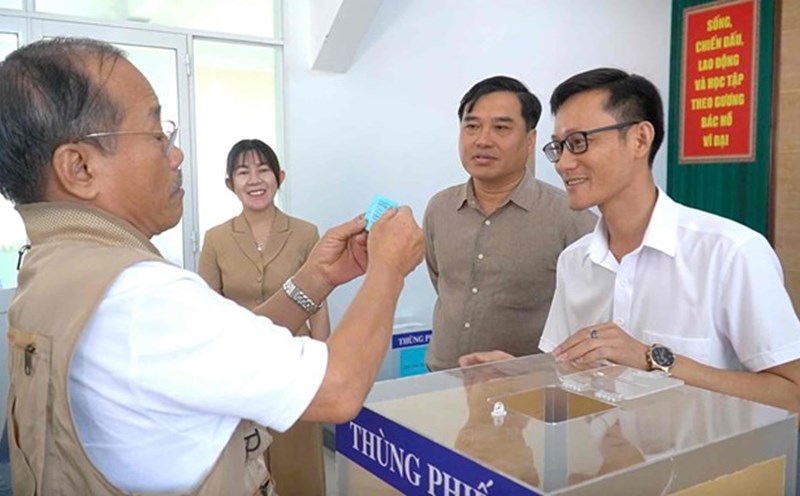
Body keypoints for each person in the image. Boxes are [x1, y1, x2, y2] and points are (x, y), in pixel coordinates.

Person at [0, 37, 424, 495]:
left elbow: (217, 346)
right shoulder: (142, 296)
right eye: (157, 134)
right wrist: (388, 267)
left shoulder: (54, 267)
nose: (176, 154)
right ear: (79, 168)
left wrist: (316, 279)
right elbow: (339, 388)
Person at [459, 68, 800, 418]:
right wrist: (520, 374)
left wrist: (652, 360)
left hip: (711, 472)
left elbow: (792, 393)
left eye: (579, 142)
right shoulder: (575, 261)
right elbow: (568, 373)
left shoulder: (729, 253)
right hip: (597, 469)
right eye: (558, 147)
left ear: (640, 139)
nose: (563, 163)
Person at [424, 75, 596, 371]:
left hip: (526, 391)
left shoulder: (570, 217)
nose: (482, 140)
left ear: (530, 140)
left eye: (501, 128)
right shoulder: (440, 208)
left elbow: (590, 319)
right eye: (472, 126)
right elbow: (442, 283)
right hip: (441, 379)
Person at [198, 138, 329, 495]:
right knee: (243, 464)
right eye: (243, 172)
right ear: (230, 183)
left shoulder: (305, 233)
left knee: (298, 459)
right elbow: (208, 310)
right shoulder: (215, 239)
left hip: (294, 362)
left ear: (279, 176)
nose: (254, 180)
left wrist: (322, 361)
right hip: (239, 368)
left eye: (263, 170)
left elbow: (319, 301)